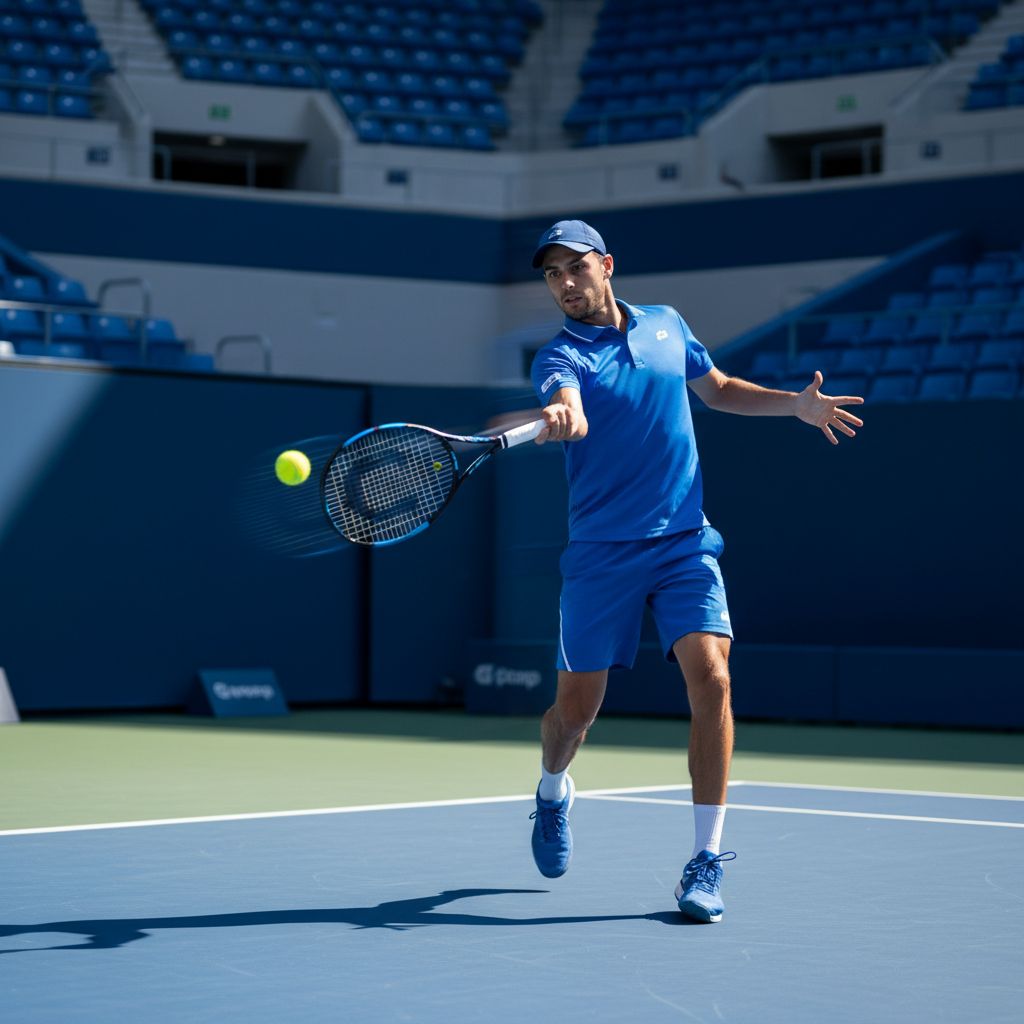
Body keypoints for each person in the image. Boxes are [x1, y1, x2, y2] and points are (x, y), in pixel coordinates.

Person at [524, 219, 864, 923]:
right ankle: (553, 790)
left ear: (606, 266)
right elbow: (569, 404)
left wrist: (793, 405)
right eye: (552, 274)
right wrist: (563, 414)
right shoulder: (558, 357)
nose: (564, 283)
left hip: (683, 543)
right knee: (574, 715)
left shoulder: (666, 326)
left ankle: (705, 860)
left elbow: (717, 388)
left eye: (574, 268)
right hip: (601, 556)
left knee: (712, 677)